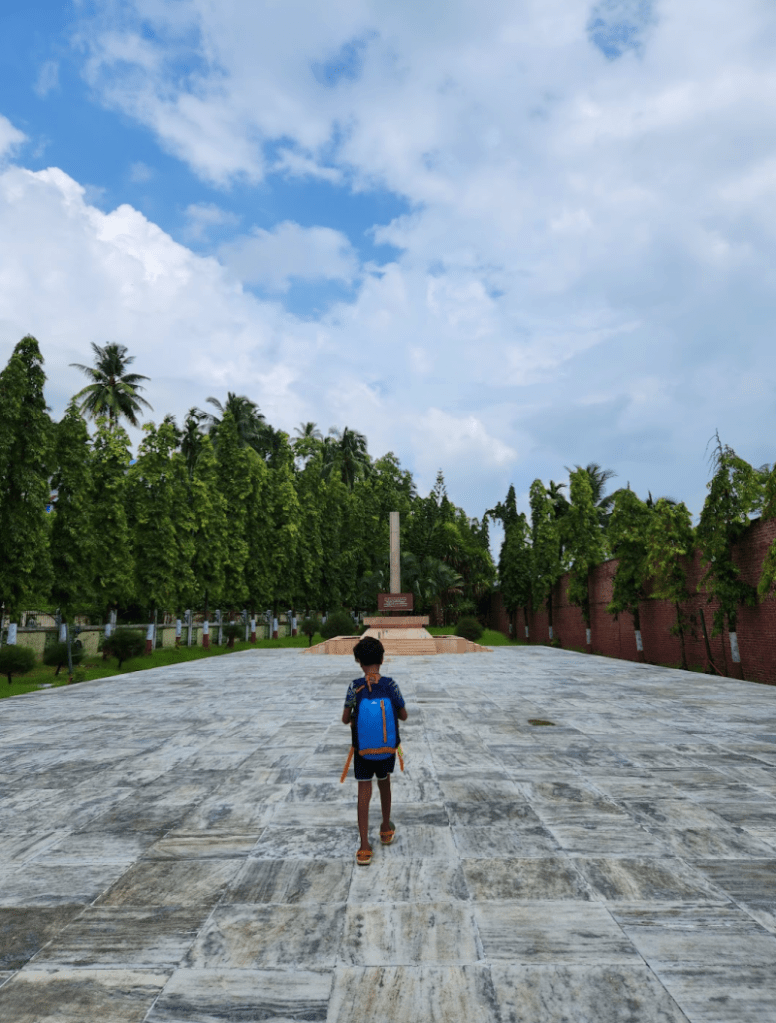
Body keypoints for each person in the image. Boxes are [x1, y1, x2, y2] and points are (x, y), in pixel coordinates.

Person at [342, 636, 408, 865]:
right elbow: (404, 715)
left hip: (362, 750)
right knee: (384, 782)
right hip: (386, 749)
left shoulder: (354, 686)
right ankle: (385, 828)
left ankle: (364, 847)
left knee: (363, 792)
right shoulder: (390, 685)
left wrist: (353, 717)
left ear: (358, 661)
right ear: (382, 658)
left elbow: (344, 719)